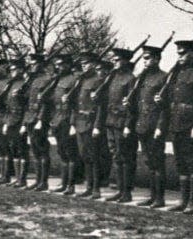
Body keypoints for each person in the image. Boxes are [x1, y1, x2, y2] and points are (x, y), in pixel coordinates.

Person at [156, 40, 193, 214]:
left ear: (192, 54)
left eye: (183, 53)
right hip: (177, 124)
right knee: (180, 164)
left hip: (191, 126)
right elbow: (172, 100)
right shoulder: (176, 75)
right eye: (178, 53)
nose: (179, 57)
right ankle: (183, 201)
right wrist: (161, 100)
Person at [98, 48, 139, 203]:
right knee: (116, 156)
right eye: (114, 59)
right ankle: (120, 190)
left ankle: (126, 192)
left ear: (126, 61)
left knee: (125, 157)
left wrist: (128, 124)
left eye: (117, 59)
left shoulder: (130, 79)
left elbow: (132, 105)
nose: (114, 62)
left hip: (122, 123)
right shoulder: (113, 78)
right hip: (111, 121)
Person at [131, 46, 168, 208]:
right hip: (143, 125)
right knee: (149, 162)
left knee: (157, 162)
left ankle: (159, 198)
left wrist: (160, 126)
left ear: (157, 59)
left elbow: (165, 107)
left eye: (148, 58)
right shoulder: (142, 78)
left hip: (154, 126)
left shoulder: (164, 78)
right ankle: (152, 196)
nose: (145, 61)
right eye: (144, 58)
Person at [70, 52, 106, 199]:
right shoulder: (80, 81)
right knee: (84, 156)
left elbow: (101, 107)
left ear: (94, 64)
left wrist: (97, 126)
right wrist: (73, 122)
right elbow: (74, 104)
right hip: (79, 122)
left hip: (91, 122)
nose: (84, 65)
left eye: (87, 63)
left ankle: (96, 189)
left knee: (94, 156)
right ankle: (88, 186)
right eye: (82, 63)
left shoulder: (99, 81)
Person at [45, 54, 80, 195]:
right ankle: (63, 183)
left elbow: (76, 105)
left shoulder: (74, 80)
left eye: (61, 65)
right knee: (62, 152)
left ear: (69, 65)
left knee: (70, 153)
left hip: (67, 119)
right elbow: (52, 100)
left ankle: (70, 185)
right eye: (57, 65)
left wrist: (72, 123)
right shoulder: (57, 80)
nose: (58, 67)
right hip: (57, 119)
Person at [21, 53, 53, 191]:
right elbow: (26, 102)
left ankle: (43, 182)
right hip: (30, 117)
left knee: (42, 149)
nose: (32, 66)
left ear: (41, 64)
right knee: (34, 150)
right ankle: (37, 180)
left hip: (39, 119)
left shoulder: (47, 79)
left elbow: (46, 103)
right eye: (31, 63)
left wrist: (40, 119)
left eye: (34, 63)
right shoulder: (31, 80)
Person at [4, 58, 29, 188]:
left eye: (15, 69)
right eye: (11, 69)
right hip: (11, 120)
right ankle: (17, 178)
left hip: (20, 121)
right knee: (13, 148)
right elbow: (8, 106)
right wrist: (6, 122)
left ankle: (22, 179)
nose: (12, 71)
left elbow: (27, 107)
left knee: (21, 149)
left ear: (21, 70)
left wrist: (24, 124)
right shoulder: (11, 84)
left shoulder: (25, 84)